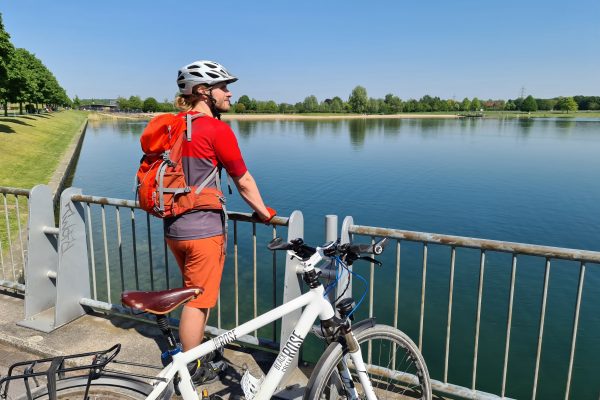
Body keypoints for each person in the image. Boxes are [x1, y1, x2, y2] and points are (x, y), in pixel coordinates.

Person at [166, 60, 276, 385]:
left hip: (173, 227)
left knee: (193, 294)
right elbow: (242, 181)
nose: (229, 93)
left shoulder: (173, 125)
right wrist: (264, 212)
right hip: (203, 231)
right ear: (203, 91)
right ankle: (191, 372)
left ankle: (195, 354)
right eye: (223, 87)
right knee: (196, 303)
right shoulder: (216, 129)